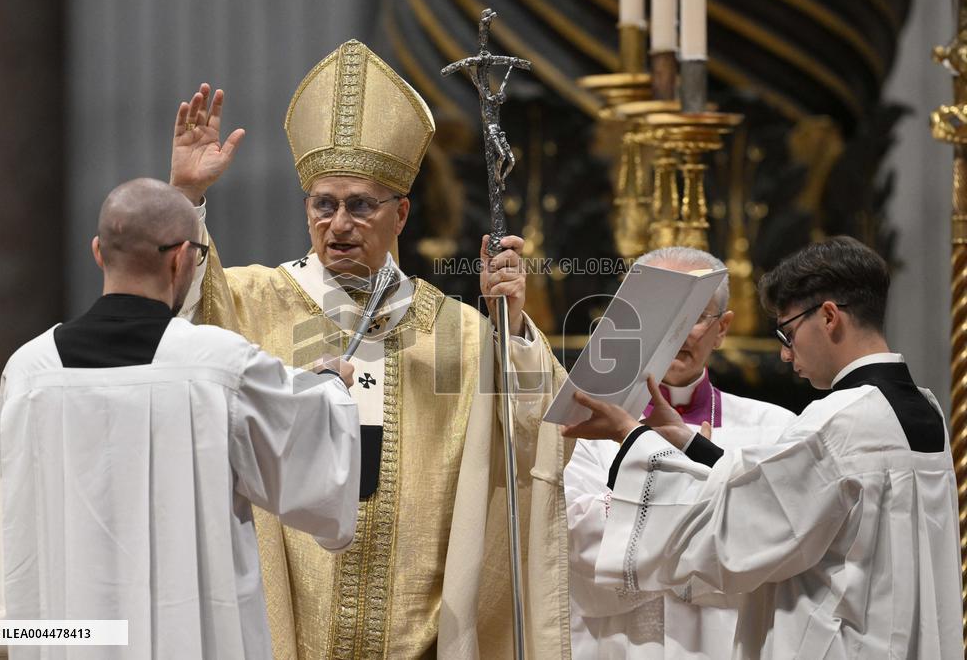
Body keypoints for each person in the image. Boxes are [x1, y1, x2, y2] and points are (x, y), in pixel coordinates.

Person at [168, 40, 571, 658]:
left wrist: (512, 324)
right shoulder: (256, 301)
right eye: (323, 205)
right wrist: (188, 198)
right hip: (290, 623)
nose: (339, 224)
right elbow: (183, 320)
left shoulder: (460, 330)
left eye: (360, 205)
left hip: (423, 631)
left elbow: (535, 431)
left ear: (402, 212)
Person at [0, 178, 361, 659]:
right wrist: (332, 385)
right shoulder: (218, 366)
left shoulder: (28, 370)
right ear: (183, 259)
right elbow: (313, 466)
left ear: (98, 253)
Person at [565, 236, 963, 658]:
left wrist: (632, 437)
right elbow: (774, 493)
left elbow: (733, 534)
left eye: (787, 332)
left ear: (828, 317)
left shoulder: (839, 421)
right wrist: (687, 443)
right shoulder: (922, 408)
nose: (786, 355)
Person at [564, 246, 795, 659]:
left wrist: (647, 510)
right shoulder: (583, 429)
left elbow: (771, 550)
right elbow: (580, 544)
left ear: (722, 328)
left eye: (694, 316)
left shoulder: (776, 430)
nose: (676, 331)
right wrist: (705, 507)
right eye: (660, 315)